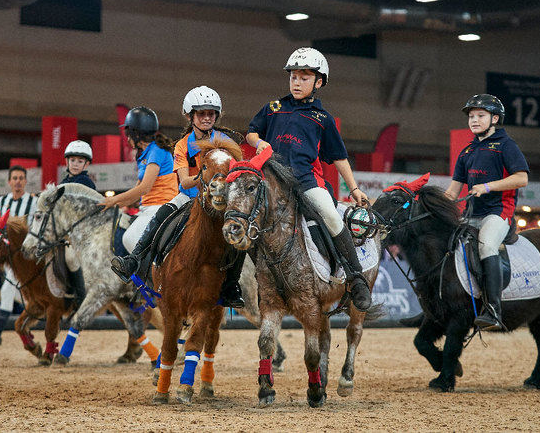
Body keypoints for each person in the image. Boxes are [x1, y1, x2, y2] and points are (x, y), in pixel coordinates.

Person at [244, 47, 372, 312]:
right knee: (241, 215)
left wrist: (355, 189)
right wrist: (259, 142)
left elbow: (339, 157)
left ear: (319, 82)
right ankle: (235, 284)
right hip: (271, 182)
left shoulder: (322, 118)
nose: (297, 82)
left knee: (332, 216)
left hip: (306, 182)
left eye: (304, 77)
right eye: (293, 76)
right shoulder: (273, 108)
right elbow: (251, 132)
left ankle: (356, 278)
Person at [111, 87, 245, 308]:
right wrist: (205, 176)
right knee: (161, 216)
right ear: (190, 115)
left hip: (219, 200)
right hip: (190, 198)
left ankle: (232, 285)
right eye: (201, 113)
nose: (206, 118)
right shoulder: (182, 145)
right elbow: (184, 182)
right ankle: (133, 260)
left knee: (240, 230)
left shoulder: (225, 141)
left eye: (211, 113)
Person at [445, 94, 529, 331]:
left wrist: (488, 186)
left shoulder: (506, 145)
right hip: (471, 214)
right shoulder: (467, 152)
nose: (474, 120)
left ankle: (493, 310)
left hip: (499, 211)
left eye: (480, 116)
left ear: (494, 118)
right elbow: (452, 193)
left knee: (486, 246)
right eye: (471, 116)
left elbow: (522, 179)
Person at [101, 106, 178, 265]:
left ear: (136, 134)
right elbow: (137, 191)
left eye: (128, 133)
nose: (126, 137)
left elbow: (145, 188)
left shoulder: (157, 150)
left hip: (161, 206)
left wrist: (113, 200)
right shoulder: (143, 153)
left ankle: (153, 278)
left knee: (129, 238)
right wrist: (112, 205)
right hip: (147, 208)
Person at [0, 165, 38, 345]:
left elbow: (36, 228)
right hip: (8, 256)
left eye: (21, 178)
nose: (18, 181)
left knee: (8, 290)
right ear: (10, 182)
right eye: (15, 178)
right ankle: (25, 328)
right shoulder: (2, 201)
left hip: (25, 256)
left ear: (25, 181)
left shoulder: (33, 203)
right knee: (20, 294)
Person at [54, 140, 97, 308]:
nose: (75, 164)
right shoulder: (62, 183)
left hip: (81, 232)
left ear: (86, 164)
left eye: (80, 161)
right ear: (67, 161)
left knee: (71, 258)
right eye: (73, 160)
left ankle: (80, 297)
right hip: (62, 231)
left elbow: (87, 211)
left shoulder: (87, 183)